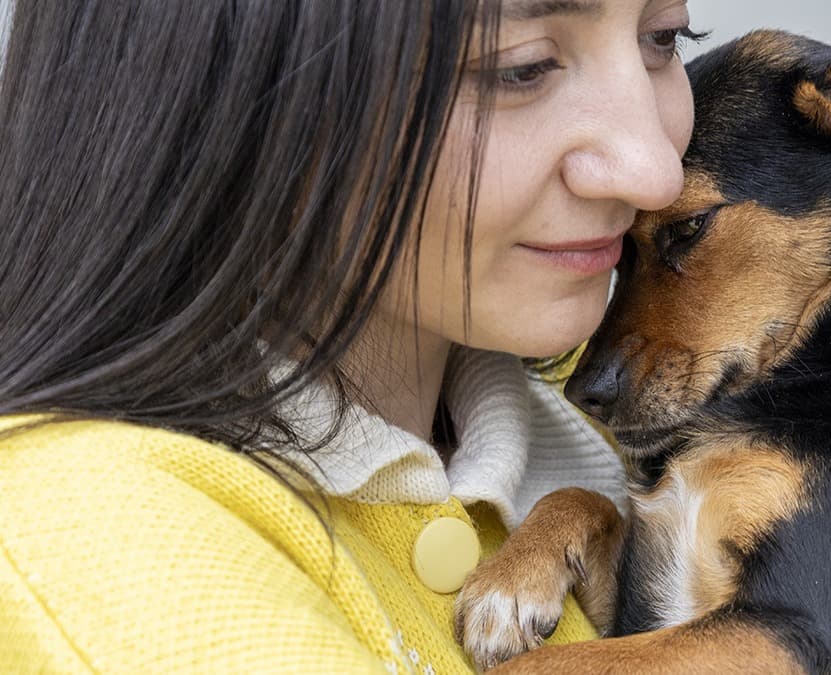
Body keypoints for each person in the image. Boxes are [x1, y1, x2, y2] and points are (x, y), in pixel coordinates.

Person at [0, 0, 697, 672]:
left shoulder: (663, 401)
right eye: (522, 66)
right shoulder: (96, 547)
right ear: (221, 78)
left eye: (662, 36)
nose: (657, 173)